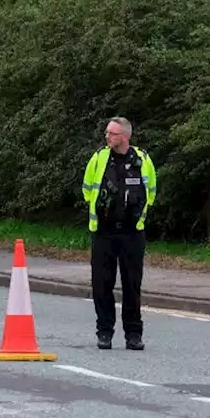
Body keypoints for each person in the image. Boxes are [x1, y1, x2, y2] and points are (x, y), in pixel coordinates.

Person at [81, 117, 157, 351]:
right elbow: (87, 190)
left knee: (132, 284)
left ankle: (133, 334)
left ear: (125, 136)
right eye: (107, 133)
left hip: (132, 234)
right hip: (104, 232)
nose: (107, 137)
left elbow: (151, 191)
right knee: (101, 284)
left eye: (112, 133)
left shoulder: (142, 160)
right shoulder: (99, 158)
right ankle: (104, 332)